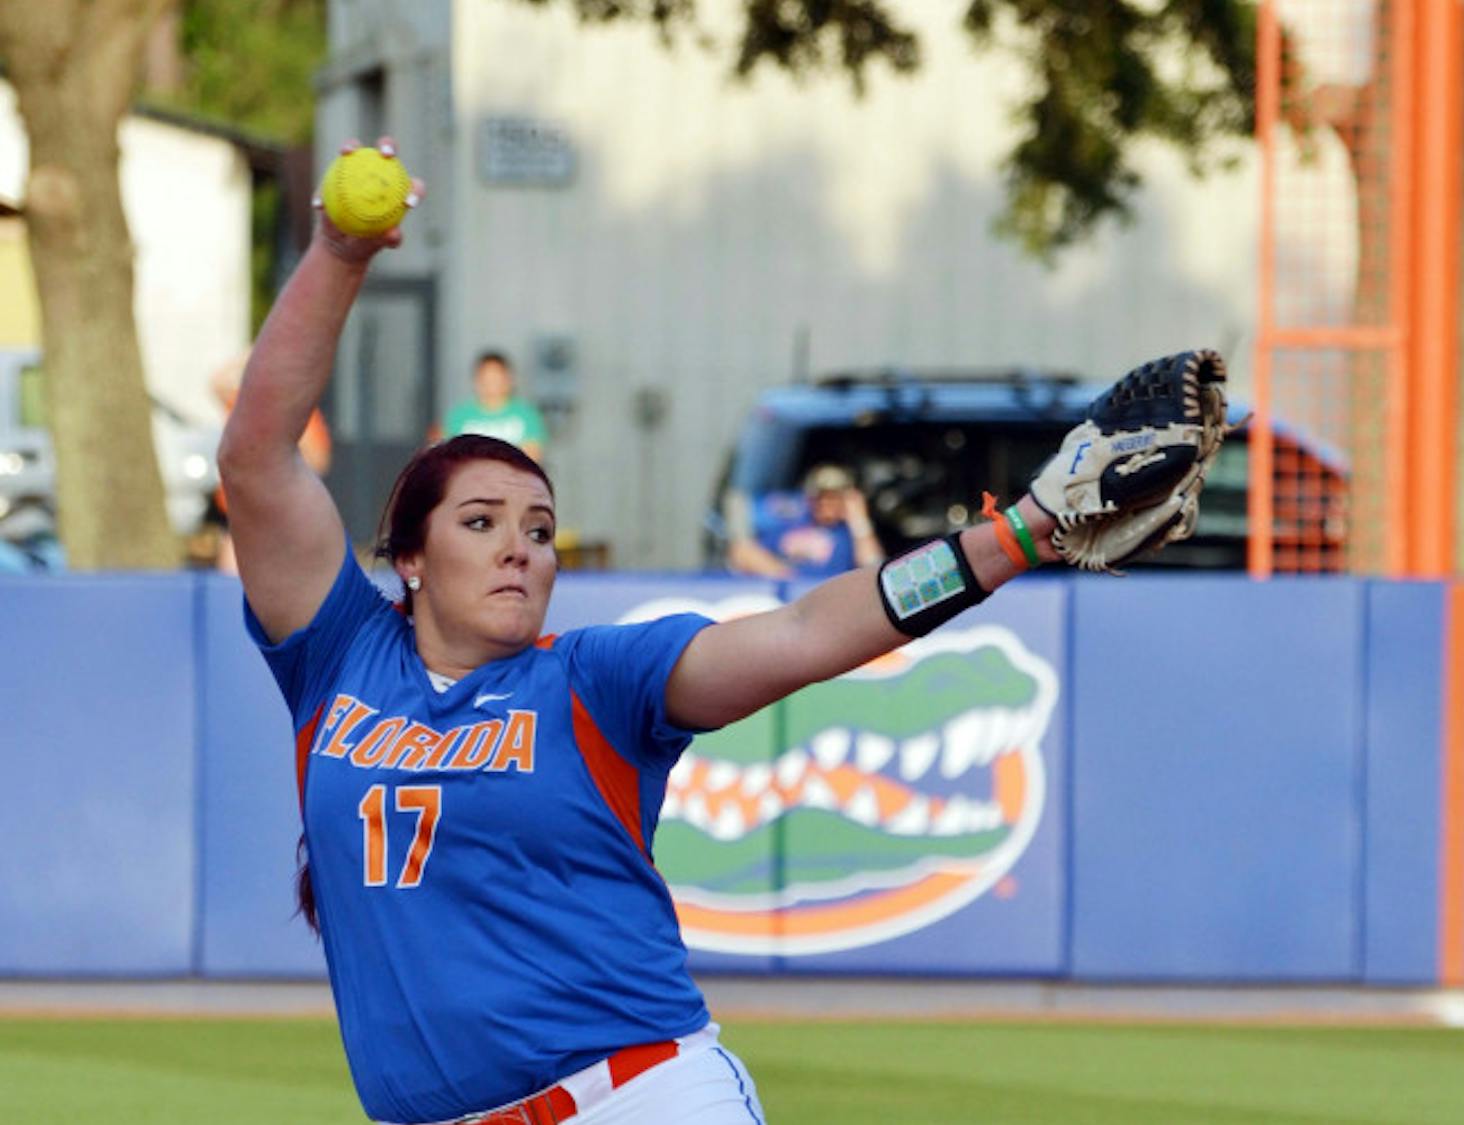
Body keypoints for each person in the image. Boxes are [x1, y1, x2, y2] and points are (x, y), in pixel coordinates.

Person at [218, 137, 1062, 1125]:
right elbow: (256, 457)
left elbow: (800, 633)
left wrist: (1004, 542)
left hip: (640, 1098)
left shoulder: (593, 680)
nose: (519, 549)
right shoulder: (339, 657)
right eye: (480, 523)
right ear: (409, 558)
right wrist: (339, 253)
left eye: (538, 529)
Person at [209, 346, 332, 574]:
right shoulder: (243, 403)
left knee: (279, 574)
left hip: (277, 510)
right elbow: (218, 382)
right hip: (240, 506)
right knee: (232, 577)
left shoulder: (303, 414)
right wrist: (255, 353)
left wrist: (294, 428)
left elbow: (319, 462)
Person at [725, 463, 883, 579]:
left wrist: (859, 520)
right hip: (772, 587)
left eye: (834, 498)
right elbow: (741, 546)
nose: (826, 504)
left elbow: (873, 567)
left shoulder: (849, 534)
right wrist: (788, 580)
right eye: (821, 497)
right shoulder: (796, 511)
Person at [442, 348, 549, 462]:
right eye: (486, 378)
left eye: (496, 378)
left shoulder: (527, 414)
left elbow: (531, 456)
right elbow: (449, 457)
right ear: (476, 380)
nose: (491, 384)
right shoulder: (459, 415)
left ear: (509, 379)